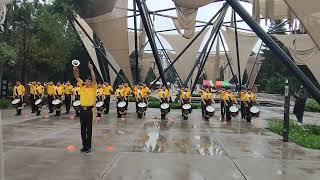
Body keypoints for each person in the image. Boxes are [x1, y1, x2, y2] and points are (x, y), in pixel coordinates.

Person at [73, 62, 97, 153]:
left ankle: (89, 146)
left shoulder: (93, 88)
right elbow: (77, 76)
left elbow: (94, 78)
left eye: (88, 81)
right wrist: (75, 69)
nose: (87, 82)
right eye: (86, 81)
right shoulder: (81, 86)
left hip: (90, 111)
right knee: (82, 129)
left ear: (91, 82)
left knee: (89, 129)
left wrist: (91, 69)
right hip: (82, 110)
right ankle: (84, 146)